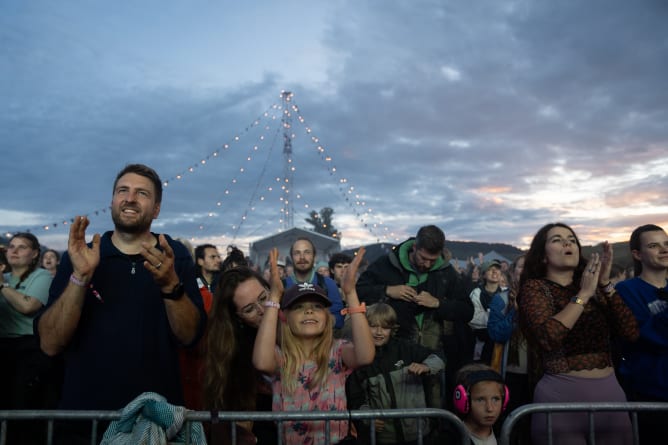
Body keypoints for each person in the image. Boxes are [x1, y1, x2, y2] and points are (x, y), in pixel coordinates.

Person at [35, 164, 207, 443]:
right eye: (122, 191)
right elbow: (50, 344)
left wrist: (170, 287)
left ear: (156, 209)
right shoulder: (83, 255)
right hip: (86, 421)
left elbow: (189, 337)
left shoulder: (173, 255)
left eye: (142, 193)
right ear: (112, 201)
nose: (130, 198)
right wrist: (80, 277)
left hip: (154, 423)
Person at [518, 222, 639, 445]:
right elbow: (548, 338)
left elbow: (630, 332)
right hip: (561, 397)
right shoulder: (535, 288)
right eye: (557, 239)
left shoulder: (596, 289)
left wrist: (604, 284)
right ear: (543, 256)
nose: (567, 242)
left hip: (611, 395)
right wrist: (583, 295)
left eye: (572, 239)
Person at [253, 247, 374, 445]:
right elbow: (260, 362)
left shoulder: (337, 351)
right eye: (299, 307)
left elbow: (365, 356)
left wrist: (350, 293)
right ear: (286, 318)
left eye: (317, 307)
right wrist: (274, 299)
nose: (309, 311)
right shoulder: (280, 356)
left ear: (327, 319)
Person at [356, 225, 472, 412]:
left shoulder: (446, 273)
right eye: (423, 258)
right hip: (393, 351)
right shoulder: (386, 264)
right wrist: (387, 290)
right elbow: (358, 291)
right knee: (395, 402)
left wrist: (438, 304)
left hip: (433, 352)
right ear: (414, 248)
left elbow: (467, 310)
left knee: (434, 406)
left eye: (432, 260)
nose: (427, 264)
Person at [346, 302, 445, 445]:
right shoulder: (360, 360)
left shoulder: (405, 348)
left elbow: (439, 356)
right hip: (383, 438)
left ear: (392, 329)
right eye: (373, 326)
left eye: (385, 327)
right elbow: (355, 398)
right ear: (364, 327)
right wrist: (368, 417)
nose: (379, 332)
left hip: (418, 433)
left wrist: (426, 366)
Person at [203, 266, 277, 444]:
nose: (262, 310)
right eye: (249, 309)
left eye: (263, 298)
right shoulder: (233, 355)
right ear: (237, 318)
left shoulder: (294, 324)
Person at [0, 233, 55, 444]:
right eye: (11, 246)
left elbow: (28, 306)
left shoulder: (42, 276)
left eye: (22, 247)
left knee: (22, 406)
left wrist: (2, 287)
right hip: (2, 346)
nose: (13, 251)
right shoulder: (5, 277)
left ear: (34, 254)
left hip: (27, 349)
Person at [615, 224, 668, 443]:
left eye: (666, 244)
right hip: (651, 395)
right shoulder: (627, 290)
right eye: (654, 246)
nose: (664, 250)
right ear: (637, 254)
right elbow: (646, 336)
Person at [487, 254, 531, 445]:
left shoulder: (545, 299)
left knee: (533, 425)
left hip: (539, 373)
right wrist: (516, 311)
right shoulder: (501, 299)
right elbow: (495, 334)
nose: (526, 270)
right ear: (513, 272)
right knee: (510, 425)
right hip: (510, 372)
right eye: (521, 266)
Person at [284, 236, 345, 329]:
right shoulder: (282, 286)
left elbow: (339, 319)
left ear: (314, 257)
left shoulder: (328, 284)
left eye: (307, 252)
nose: (302, 257)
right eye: (297, 253)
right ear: (292, 258)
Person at [452, 363, 509, 445]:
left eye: (495, 399)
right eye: (480, 400)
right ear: (463, 400)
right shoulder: (451, 438)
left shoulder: (506, 433)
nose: (490, 408)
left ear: (504, 400)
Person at [468, 259, 508, 364]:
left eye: (497, 269)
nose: (494, 272)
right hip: (481, 343)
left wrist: (488, 314)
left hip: (501, 343)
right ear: (484, 275)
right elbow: (473, 318)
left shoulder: (506, 293)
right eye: (490, 269)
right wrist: (497, 317)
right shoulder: (476, 293)